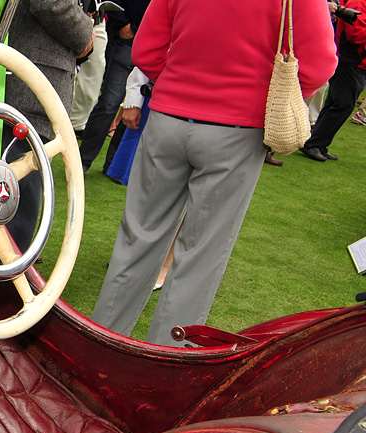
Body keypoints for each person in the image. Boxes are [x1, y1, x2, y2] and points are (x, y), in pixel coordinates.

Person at [90, 0, 336, 346]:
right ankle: (165, 369)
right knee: (200, 259)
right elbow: (321, 64)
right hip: (236, 129)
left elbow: (146, 49)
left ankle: (99, 348)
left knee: (137, 241)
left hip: (169, 118)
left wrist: (180, 83)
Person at [0, 0, 94, 249]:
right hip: (25, 87)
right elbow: (50, 3)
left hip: (6, 75)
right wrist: (85, 30)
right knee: (10, 207)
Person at [76, 0, 149, 172]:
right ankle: (82, 161)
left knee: (138, 106)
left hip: (151, 43)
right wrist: (123, 24)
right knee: (109, 103)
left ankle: (115, 166)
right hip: (128, 40)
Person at [300, 0, 366, 162]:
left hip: (355, 60)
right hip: (350, 59)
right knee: (342, 104)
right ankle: (314, 143)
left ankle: (318, 143)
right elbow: (354, 33)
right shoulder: (358, 2)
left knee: (336, 102)